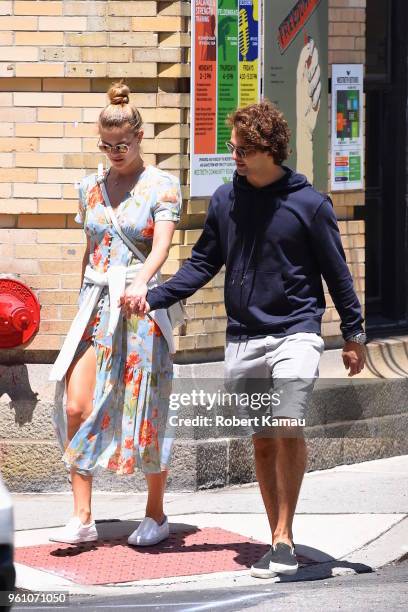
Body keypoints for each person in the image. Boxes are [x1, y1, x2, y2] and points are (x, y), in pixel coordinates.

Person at [131, 100, 366, 577]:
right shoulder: (225, 200)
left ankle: (284, 537)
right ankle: (274, 533)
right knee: (262, 441)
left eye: (242, 148)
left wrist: (354, 332)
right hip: (244, 335)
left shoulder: (309, 204)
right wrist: (155, 296)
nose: (233, 154)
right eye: (232, 147)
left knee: (286, 422)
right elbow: (202, 263)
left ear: (270, 150)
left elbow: (337, 275)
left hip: (295, 332)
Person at [49, 81, 182, 547]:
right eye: (106, 146)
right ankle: (83, 515)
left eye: (121, 145)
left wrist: (143, 282)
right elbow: (89, 252)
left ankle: (156, 512)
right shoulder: (90, 187)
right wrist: (80, 307)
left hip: (141, 306)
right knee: (75, 404)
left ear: (140, 136)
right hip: (96, 306)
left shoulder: (162, 185)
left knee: (144, 409)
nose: (114, 153)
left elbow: (161, 247)